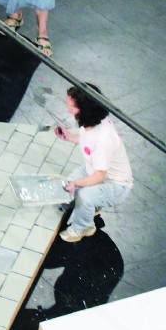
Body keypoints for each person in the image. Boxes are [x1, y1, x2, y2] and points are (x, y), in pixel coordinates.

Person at [55, 84, 134, 242]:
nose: (68, 110)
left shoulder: (103, 139)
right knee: (69, 183)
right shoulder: (93, 121)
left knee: (84, 196)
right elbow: (89, 142)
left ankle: (83, 227)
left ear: (84, 110)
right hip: (95, 171)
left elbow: (99, 177)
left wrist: (77, 184)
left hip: (115, 185)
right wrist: (71, 137)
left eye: (72, 107)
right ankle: (91, 206)